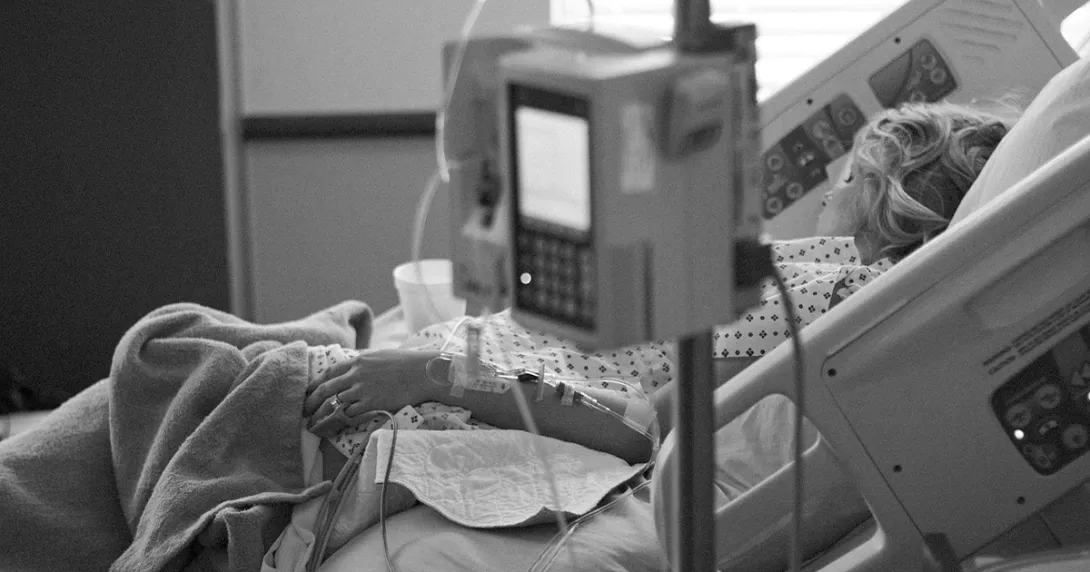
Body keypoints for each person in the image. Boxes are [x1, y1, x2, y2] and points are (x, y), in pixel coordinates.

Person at [302, 100, 1016, 461]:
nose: (830, 188)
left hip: (481, 390)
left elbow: (647, 425)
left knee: (219, 365)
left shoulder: (831, 297)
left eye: (852, 175)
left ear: (889, 203)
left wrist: (438, 375)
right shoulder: (812, 270)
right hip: (496, 353)